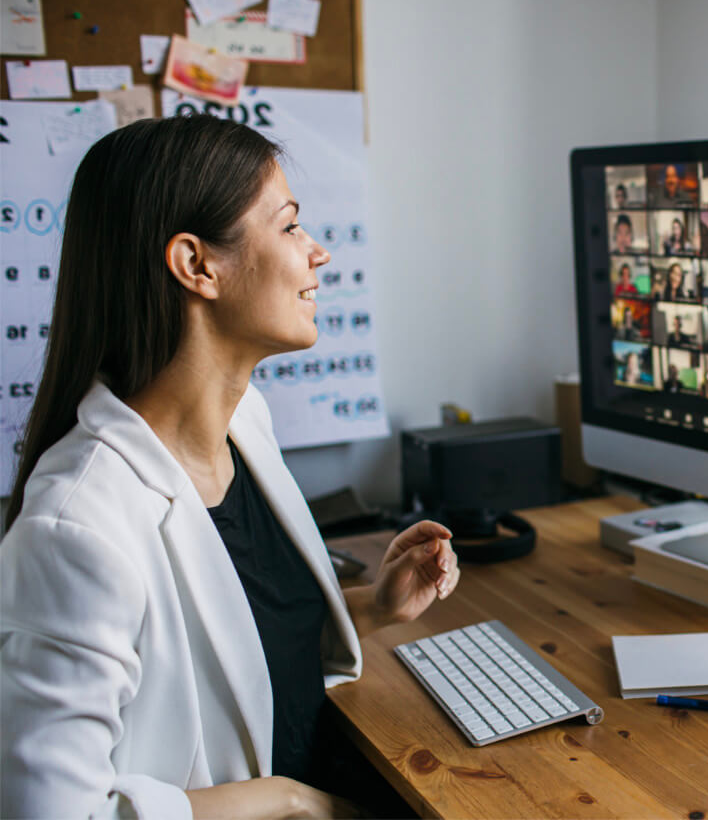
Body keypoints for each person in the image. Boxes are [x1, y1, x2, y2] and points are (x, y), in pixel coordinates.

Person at [0, 116, 461, 819]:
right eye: (290, 226)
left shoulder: (245, 423)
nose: (319, 252)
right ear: (197, 265)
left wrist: (372, 607)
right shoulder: (74, 530)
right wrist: (290, 800)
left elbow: (228, 658)